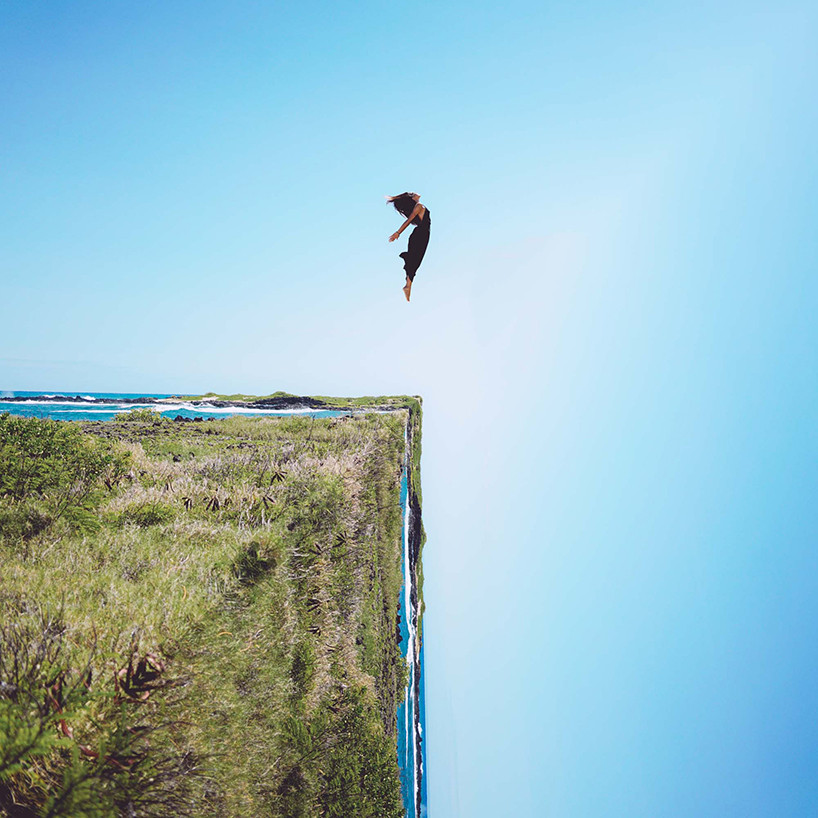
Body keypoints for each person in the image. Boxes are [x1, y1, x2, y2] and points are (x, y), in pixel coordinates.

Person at [387, 192, 431, 302]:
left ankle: (408, 286)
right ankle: (408, 286)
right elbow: (408, 221)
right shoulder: (419, 206)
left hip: (421, 234)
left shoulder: (418, 206)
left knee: (416, 261)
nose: (416, 193)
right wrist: (398, 233)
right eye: (413, 193)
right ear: (412, 197)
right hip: (420, 234)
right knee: (415, 260)